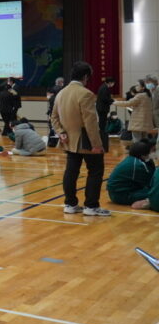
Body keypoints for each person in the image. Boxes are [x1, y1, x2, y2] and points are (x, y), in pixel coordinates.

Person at [52, 61, 109, 216]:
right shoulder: (86, 94)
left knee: (71, 172)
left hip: (68, 141)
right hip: (86, 141)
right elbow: (90, 122)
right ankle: (91, 206)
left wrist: (60, 132)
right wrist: (96, 144)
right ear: (85, 76)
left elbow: (54, 117)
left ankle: (70, 204)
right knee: (96, 171)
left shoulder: (61, 93)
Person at [106, 141, 154, 206]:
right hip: (122, 196)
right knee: (155, 193)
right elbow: (151, 182)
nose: (151, 154)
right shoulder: (138, 165)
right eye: (149, 153)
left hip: (115, 194)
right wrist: (150, 163)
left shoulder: (131, 159)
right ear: (143, 155)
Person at [95, 76, 116, 152]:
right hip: (102, 108)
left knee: (102, 123)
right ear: (110, 82)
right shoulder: (104, 88)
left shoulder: (103, 87)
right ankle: (102, 137)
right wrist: (112, 101)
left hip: (101, 108)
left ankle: (102, 134)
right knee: (102, 124)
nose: (113, 84)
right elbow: (105, 98)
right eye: (113, 83)